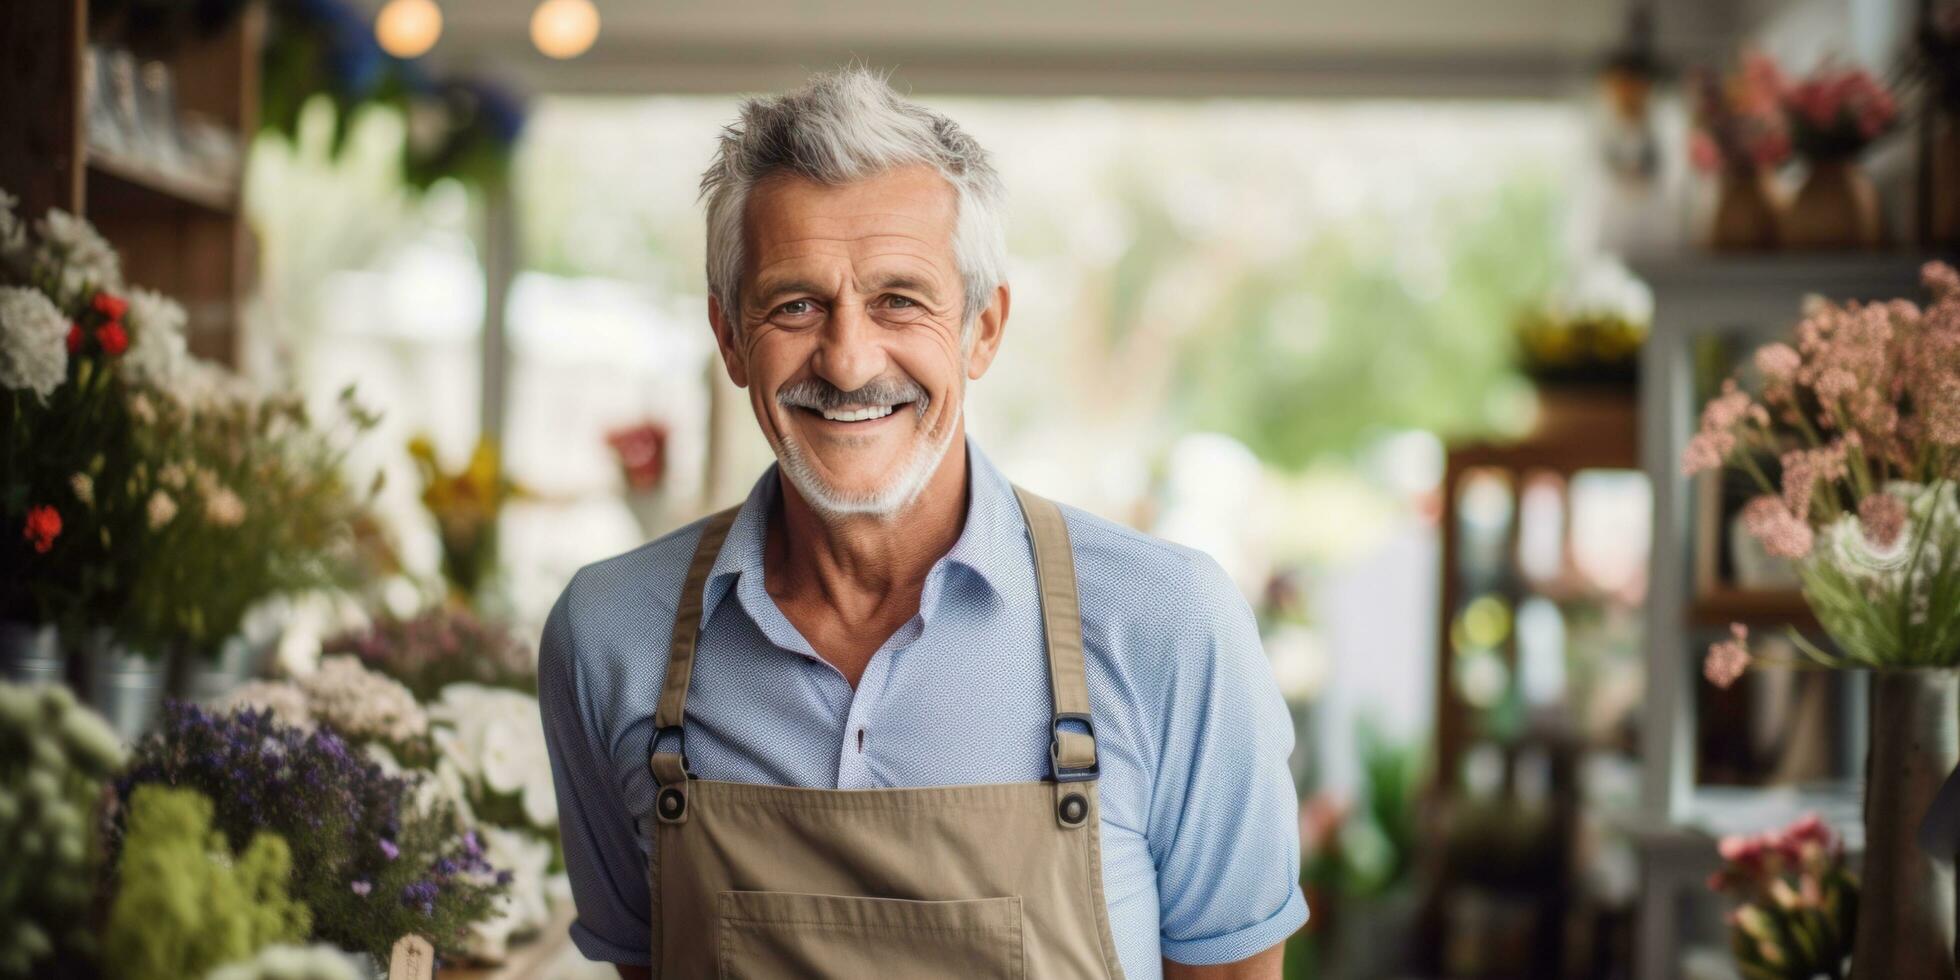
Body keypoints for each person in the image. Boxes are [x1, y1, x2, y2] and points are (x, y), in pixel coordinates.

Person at [539, 66, 1308, 979]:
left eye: (899, 299)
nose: (850, 358)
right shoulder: (611, 634)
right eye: (796, 304)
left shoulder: (1169, 625)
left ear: (984, 329)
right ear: (730, 337)